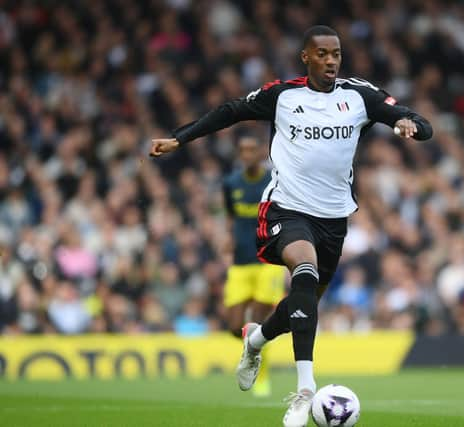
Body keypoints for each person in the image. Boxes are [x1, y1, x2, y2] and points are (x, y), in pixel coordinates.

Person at [150, 25, 433, 427]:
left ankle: (255, 340)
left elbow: (414, 118)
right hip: (286, 209)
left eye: (336, 54)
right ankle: (304, 391)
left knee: (303, 304)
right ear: (306, 57)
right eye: (322, 54)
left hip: (334, 219)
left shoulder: (359, 96)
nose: (331, 60)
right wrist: (180, 138)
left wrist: (411, 126)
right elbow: (231, 111)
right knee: (304, 270)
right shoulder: (283, 96)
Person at [222, 134, 286, 397]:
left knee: (258, 320)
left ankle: (263, 375)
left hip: (266, 261)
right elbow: (230, 217)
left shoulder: (273, 181)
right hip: (240, 262)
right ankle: (256, 353)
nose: (247, 155)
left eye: (252, 150)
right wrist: (228, 242)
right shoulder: (230, 183)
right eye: (243, 150)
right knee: (235, 327)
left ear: (261, 153)